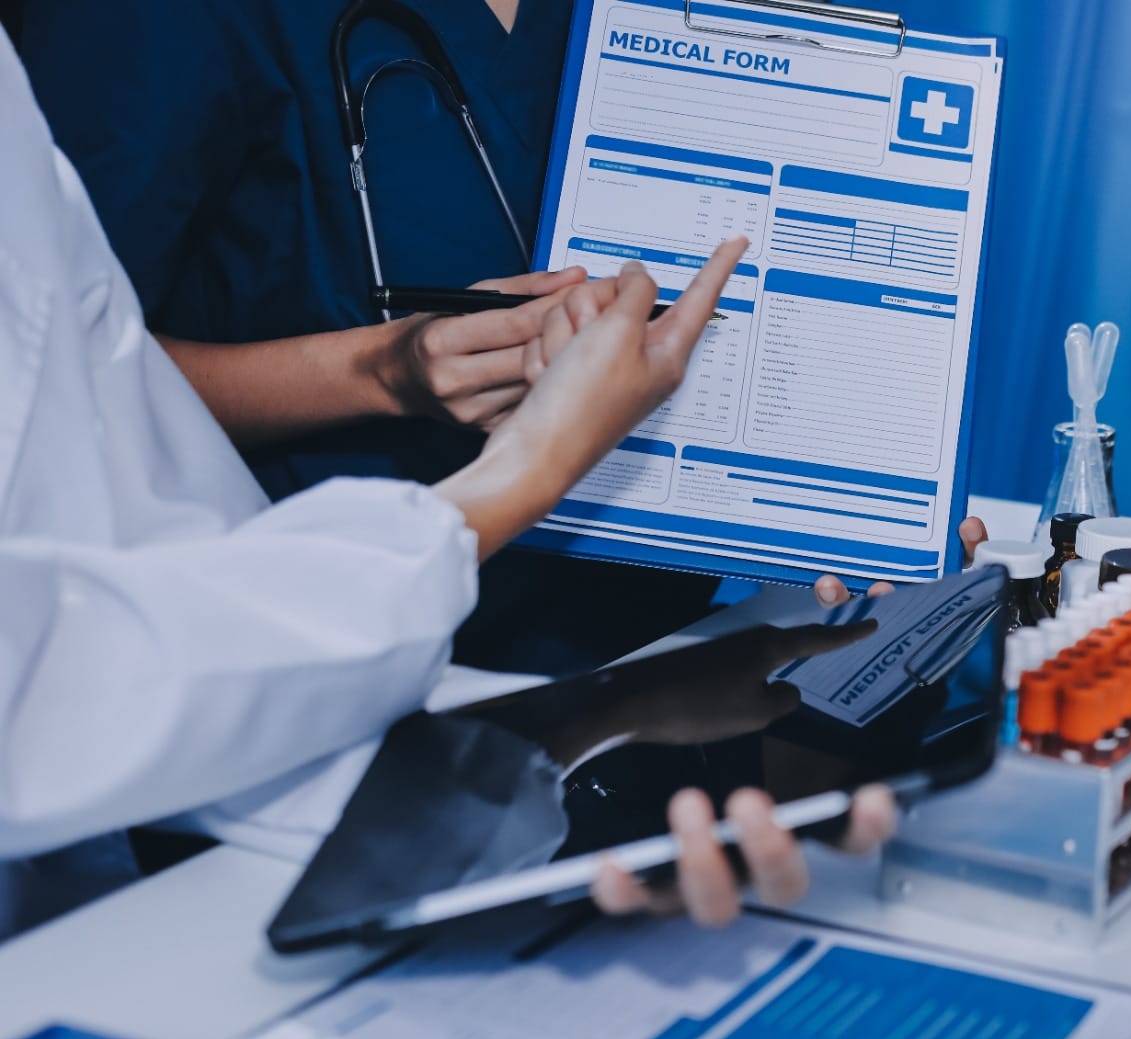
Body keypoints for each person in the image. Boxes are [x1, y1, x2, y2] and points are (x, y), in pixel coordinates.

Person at [0, 34, 895, 936]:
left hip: (463, 709)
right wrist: (481, 438)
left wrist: (612, 727)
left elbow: (174, 610)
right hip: (215, 804)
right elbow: (64, 685)